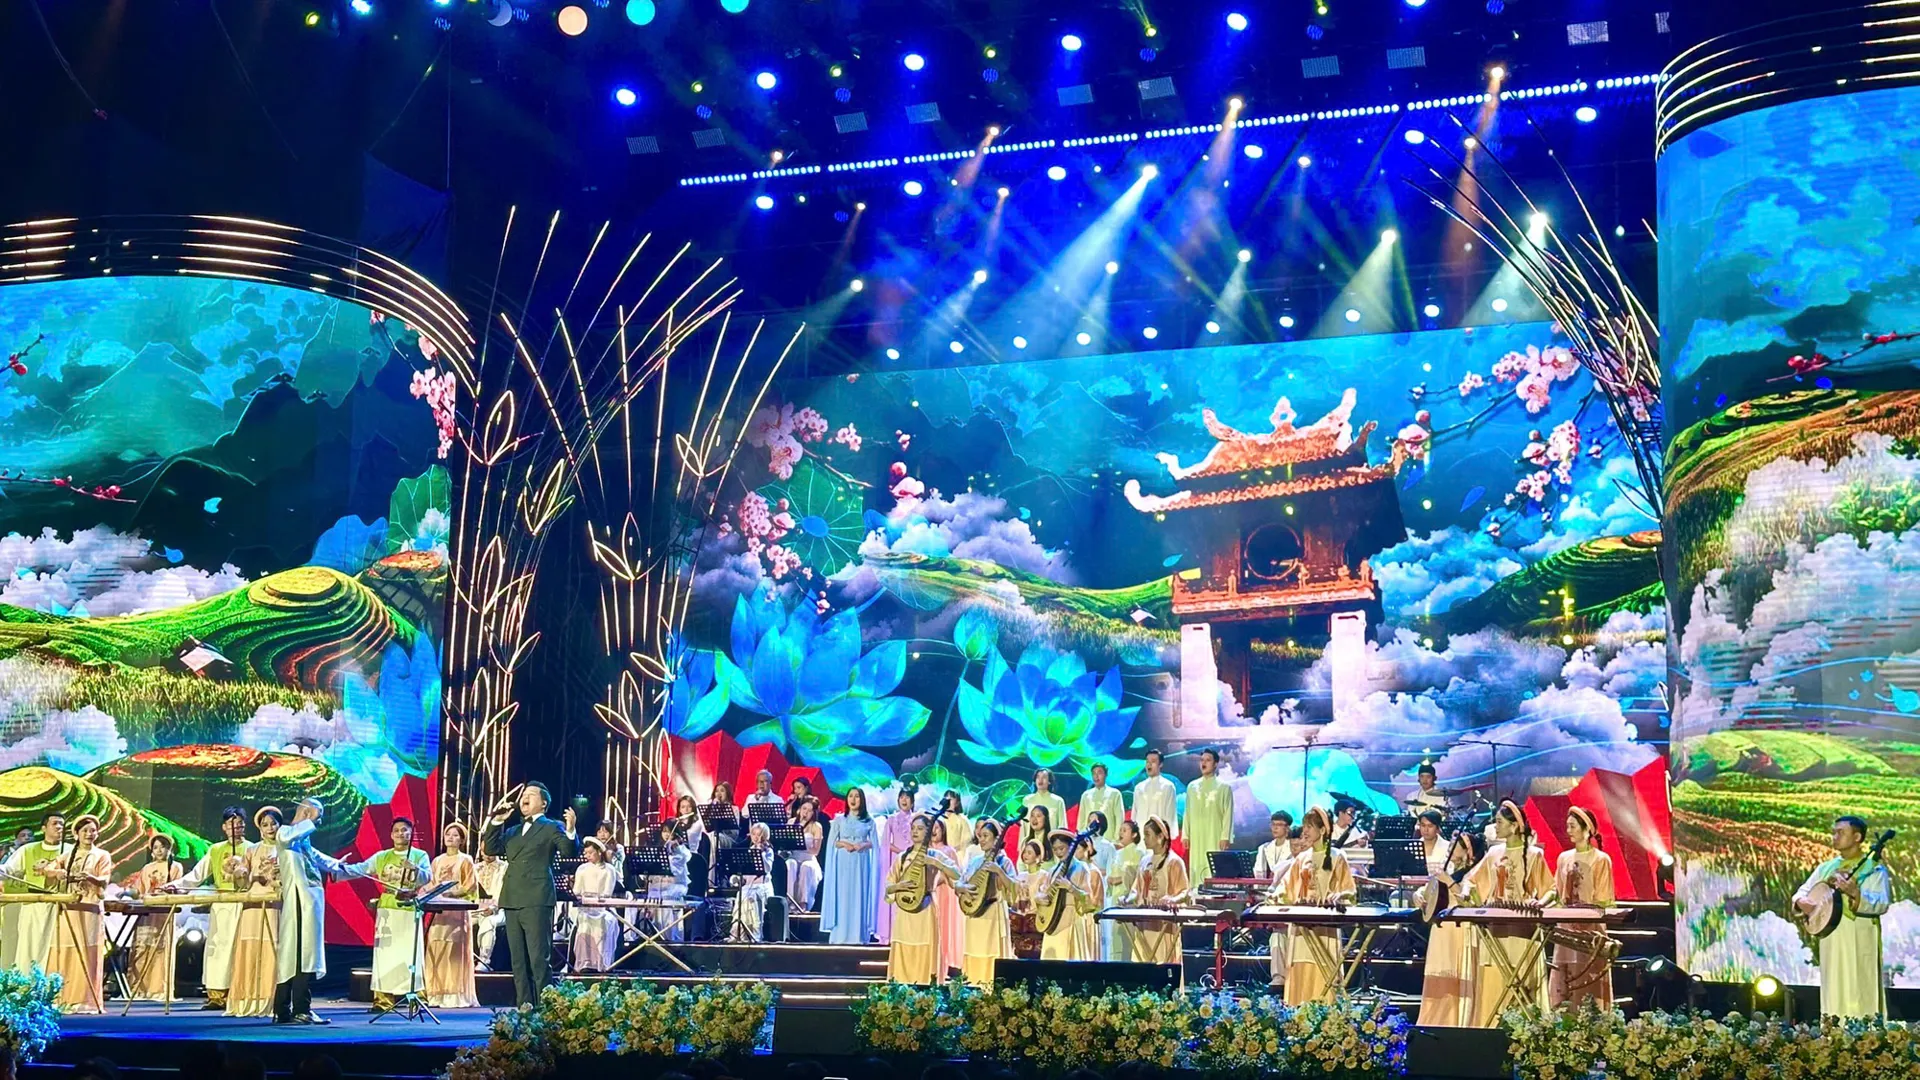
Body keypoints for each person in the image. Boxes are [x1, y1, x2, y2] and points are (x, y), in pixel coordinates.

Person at [480, 782, 579, 1009]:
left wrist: (571, 829)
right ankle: (524, 1007)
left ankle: (546, 1007)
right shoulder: (513, 831)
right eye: (524, 794)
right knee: (518, 960)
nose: (525, 797)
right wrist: (497, 821)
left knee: (538, 958)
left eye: (531, 794)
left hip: (537, 897)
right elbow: (491, 848)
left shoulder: (551, 826)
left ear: (543, 803)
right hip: (512, 898)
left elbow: (568, 851)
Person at [1464, 800, 1553, 1028]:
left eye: (1499, 822)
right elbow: (1472, 881)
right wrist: (1467, 892)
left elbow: (1551, 890)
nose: (1495, 826)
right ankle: (1491, 1025)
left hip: (1522, 927)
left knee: (1521, 976)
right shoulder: (1494, 853)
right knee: (1495, 977)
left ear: (1514, 826)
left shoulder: (1534, 855)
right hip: (1496, 925)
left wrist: (1539, 902)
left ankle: (1525, 1030)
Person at [1793, 814, 1891, 1019]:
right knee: (1834, 984)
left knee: (1860, 985)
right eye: (1834, 832)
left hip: (1860, 934)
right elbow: (1803, 891)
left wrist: (1856, 893)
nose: (1835, 837)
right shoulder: (1826, 867)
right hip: (1831, 934)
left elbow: (1882, 902)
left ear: (1857, 837)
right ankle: (1833, 1032)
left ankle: (1864, 1034)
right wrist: (1802, 902)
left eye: (1840, 832)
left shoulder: (1874, 868)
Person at [339, 817, 433, 1013]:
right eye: (397, 830)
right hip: (387, 910)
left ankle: (416, 999)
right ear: (391, 835)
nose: (401, 833)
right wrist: (337, 869)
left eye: (405, 830)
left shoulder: (419, 855)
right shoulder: (381, 856)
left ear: (411, 834)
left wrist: (415, 869)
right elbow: (361, 869)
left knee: (411, 955)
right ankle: (383, 1000)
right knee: (385, 956)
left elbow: (427, 877)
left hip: (409, 910)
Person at [170, 807, 251, 1009]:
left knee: (241, 948)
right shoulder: (215, 850)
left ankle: (241, 993)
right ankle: (217, 994)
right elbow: (196, 875)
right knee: (218, 947)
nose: (236, 827)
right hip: (222, 905)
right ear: (224, 827)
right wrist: (176, 886)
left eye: (240, 824)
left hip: (246, 904)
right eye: (231, 824)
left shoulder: (252, 848)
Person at [1275, 807, 1356, 1006]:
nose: (1305, 831)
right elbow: (1286, 887)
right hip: (1302, 923)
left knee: (1324, 967)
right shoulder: (1302, 858)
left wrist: (1338, 896)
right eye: (1305, 826)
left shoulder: (1337, 857)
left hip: (1325, 925)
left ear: (1322, 830)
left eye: (1310, 827)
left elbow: (1349, 891)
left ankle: (1326, 1015)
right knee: (1300, 963)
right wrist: (1277, 896)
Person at [273, 799, 341, 1025]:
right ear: (307, 812)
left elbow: (319, 858)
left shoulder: (302, 840)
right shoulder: (285, 833)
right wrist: (309, 818)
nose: (318, 822)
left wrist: (341, 866)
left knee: (303, 955)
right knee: (300, 956)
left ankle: (291, 1009)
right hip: (299, 903)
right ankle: (296, 1009)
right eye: (317, 816)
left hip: (309, 903)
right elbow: (287, 838)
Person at [1549, 807, 1616, 1008]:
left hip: (1591, 928)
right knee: (1565, 975)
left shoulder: (1600, 859)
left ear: (1587, 829)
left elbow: (1603, 899)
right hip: (1566, 928)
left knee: (1589, 974)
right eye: (1567, 826)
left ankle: (1591, 1017)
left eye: (1573, 826)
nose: (1568, 830)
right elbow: (1557, 892)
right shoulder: (1563, 858)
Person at [1417, 831, 1485, 1027]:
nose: (1449, 849)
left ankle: (1457, 1020)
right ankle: (1434, 1020)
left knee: (1457, 974)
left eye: (1455, 846)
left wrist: (1449, 881)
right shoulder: (1446, 870)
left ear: (1466, 852)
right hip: (1441, 929)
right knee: (1439, 973)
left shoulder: (1472, 874)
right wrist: (1418, 896)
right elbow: (1427, 889)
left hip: (1460, 928)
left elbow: (1469, 901)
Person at [225, 808, 284, 1018]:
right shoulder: (252, 850)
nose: (270, 828)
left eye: (273, 823)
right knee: (249, 950)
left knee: (271, 951)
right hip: (252, 907)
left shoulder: (286, 849)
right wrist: (239, 872)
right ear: (259, 828)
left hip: (274, 906)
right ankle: (245, 999)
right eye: (265, 824)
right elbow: (241, 879)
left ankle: (269, 1000)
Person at [883, 815, 957, 983]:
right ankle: (901, 988)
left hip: (926, 909)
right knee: (903, 947)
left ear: (928, 832)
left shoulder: (935, 855)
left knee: (926, 948)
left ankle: (926, 990)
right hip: (905, 911)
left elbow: (956, 874)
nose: (915, 832)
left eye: (920, 828)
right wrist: (898, 887)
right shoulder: (902, 857)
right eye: (913, 828)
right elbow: (889, 885)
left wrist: (936, 863)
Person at [49, 815, 111, 1014]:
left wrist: (92, 878)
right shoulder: (67, 855)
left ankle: (85, 1000)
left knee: (87, 951)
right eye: (85, 831)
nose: (89, 834)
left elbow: (104, 880)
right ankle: (63, 998)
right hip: (69, 908)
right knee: (65, 950)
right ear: (76, 834)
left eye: (93, 830)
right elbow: (50, 869)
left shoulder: (101, 855)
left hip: (90, 908)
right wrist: (56, 872)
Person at [1, 813, 68, 975]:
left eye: (62, 824)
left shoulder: (70, 850)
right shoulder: (27, 849)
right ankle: (27, 983)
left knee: (56, 947)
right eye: (55, 823)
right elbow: (8, 870)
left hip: (59, 907)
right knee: (28, 947)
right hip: (32, 905)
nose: (59, 827)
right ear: (44, 828)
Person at [954, 820, 1016, 986]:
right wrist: (962, 887)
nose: (981, 839)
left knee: (991, 956)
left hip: (993, 915)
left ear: (996, 839)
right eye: (980, 836)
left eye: (986, 836)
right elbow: (959, 883)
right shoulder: (975, 861)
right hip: (975, 916)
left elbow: (1015, 889)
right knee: (973, 953)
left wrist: (999, 871)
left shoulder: (1004, 862)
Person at [424, 822, 478, 1009]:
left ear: (461, 840)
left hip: (456, 911)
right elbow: (430, 884)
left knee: (453, 951)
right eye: (448, 834)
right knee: (436, 948)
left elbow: (470, 886)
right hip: (438, 911)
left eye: (455, 835)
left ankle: (454, 994)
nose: (451, 838)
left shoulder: (465, 860)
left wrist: (450, 893)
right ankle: (435, 993)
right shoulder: (437, 861)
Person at [125, 836, 185, 1001]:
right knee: (143, 947)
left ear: (169, 849)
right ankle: (138, 989)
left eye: (162, 847)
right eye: (155, 847)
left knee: (161, 949)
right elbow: (139, 890)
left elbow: (178, 887)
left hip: (164, 912)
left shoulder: (175, 867)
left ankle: (159, 989)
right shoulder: (147, 868)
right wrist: (127, 892)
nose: (159, 850)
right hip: (147, 911)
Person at [1128, 817, 1189, 966]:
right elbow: (1136, 889)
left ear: (1160, 836)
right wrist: (1127, 899)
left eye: (1148, 834)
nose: (1144, 839)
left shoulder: (1174, 861)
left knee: (1163, 960)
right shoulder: (1145, 861)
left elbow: (1184, 892)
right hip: (1145, 922)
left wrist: (1172, 899)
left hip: (1164, 924)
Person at [820, 787, 878, 945]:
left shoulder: (869, 821)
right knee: (843, 894)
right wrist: (845, 844)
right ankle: (840, 935)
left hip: (861, 861)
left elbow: (875, 844)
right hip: (843, 861)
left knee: (859, 893)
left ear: (862, 800)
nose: (853, 799)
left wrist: (863, 844)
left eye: (857, 796)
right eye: (850, 796)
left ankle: (858, 935)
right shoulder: (839, 820)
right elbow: (832, 842)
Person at [1252, 810, 1296, 987]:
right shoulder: (1264, 849)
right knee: (1277, 934)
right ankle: (1278, 977)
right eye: (1273, 824)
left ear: (1288, 828)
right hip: (1269, 894)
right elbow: (1258, 875)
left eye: (1279, 825)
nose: (1275, 828)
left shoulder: (1294, 847)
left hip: (1289, 895)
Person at [876, 786, 919, 945]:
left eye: (907, 797)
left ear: (912, 801)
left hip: (914, 860)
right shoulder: (892, 820)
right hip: (896, 860)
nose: (904, 800)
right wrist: (902, 852)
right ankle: (892, 933)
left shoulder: (917, 819)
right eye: (902, 797)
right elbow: (886, 843)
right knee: (896, 893)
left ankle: (910, 933)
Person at [572, 837, 620, 971]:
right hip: (585, 909)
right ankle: (584, 963)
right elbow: (576, 891)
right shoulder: (582, 869)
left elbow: (607, 893)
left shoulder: (609, 869)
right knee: (584, 922)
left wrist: (594, 898)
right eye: (586, 853)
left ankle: (601, 964)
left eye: (590, 853)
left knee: (603, 922)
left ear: (599, 852)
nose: (587, 856)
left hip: (603, 909)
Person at [1182, 749, 1233, 877]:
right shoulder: (1192, 787)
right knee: (1197, 865)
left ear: (1215, 764)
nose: (1203, 763)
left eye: (1208, 760)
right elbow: (1187, 812)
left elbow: (1228, 814)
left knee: (1213, 866)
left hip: (1214, 833)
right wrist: (1185, 835)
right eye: (1202, 760)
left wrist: (1225, 837)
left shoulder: (1224, 787)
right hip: (1196, 834)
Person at [643, 821, 693, 942]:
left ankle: (671, 941)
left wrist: (676, 847)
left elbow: (683, 860)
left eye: (669, 832)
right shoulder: (658, 849)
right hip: (658, 887)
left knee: (667, 903)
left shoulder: (681, 850)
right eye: (664, 831)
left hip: (674, 887)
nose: (666, 834)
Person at [730, 822, 778, 944]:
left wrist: (760, 853)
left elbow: (767, 869)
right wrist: (737, 878)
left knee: (751, 897)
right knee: (742, 896)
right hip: (749, 887)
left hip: (763, 887)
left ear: (765, 836)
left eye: (759, 835)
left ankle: (756, 934)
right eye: (754, 834)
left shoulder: (768, 851)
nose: (756, 837)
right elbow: (746, 874)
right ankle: (739, 933)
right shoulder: (748, 851)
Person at [1106, 819, 1146, 962]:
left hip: (1130, 901)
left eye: (1125, 830)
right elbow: (1111, 874)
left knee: (1129, 939)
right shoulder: (1117, 853)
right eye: (1120, 830)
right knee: (1116, 937)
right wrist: (1110, 880)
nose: (1120, 833)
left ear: (1134, 834)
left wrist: (1121, 879)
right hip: (1116, 898)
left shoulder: (1140, 853)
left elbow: (1138, 877)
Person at [928, 818, 965, 975]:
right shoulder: (925, 851)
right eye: (932, 827)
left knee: (944, 926)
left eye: (938, 828)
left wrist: (941, 879)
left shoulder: (949, 851)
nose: (934, 831)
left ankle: (945, 962)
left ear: (943, 831)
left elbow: (956, 875)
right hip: (930, 893)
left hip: (945, 894)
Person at [1131, 751, 1180, 840]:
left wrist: (1169, 837)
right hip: (1141, 837)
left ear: (1160, 764)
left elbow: (1171, 815)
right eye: (1147, 761)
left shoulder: (1168, 786)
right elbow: (1134, 813)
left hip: (1159, 838)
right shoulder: (1139, 787)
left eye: (1153, 761)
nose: (1149, 764)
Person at [787, 798, 824, 912]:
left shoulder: (816, 826)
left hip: (808, 858)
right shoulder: (791, 822)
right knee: (790, 864)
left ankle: (803, 903)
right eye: (804, 809)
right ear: (799, 809)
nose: (805, 812)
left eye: (809, 810)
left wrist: (803, 844)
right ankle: (789, 902)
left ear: (813, 813)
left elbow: (816, 851)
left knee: (806, 867)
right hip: (793, 856)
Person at [472, 850, 507, 972]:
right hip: (477, 909)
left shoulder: (505, 867)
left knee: (489, 921)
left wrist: (494, 907)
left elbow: (506, 892)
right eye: (484, 850)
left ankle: (484, 960)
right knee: (462, 922)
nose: (487, 853)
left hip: (500, 910)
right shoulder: (475, 868)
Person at [1077, 764, 1125, 841]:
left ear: (1106, 775)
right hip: (1089, 839)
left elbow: (1119, 818)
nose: (1096, 776)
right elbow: (1081, 819)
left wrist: (1116, 839)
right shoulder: (1086, 795)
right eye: (1094, 773)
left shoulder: (1115, 794)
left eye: (1099, 773)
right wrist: (1081, 837)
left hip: (1109, 839)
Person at [1022, 770, 1068, 837]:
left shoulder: (1058, 801)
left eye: (1044, 777)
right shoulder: (1027, 800)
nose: (1040, 780)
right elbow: (1023, 827)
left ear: (1049, 781)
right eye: (1038, 777)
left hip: (1051, 841)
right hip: (1030, 841)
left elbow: (1062, 826)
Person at [937, 791, 970, 867]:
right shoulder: (939, 818)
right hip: (940, 855)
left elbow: (967, 841)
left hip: (957, 857)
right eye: (946, 798)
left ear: (957, 803)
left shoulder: (962, 820)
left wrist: (954, 851)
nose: (948, 800)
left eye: (951, 798)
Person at [1416, 811, 1448, 875]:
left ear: (1437, 828)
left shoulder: (1448, 847)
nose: (1426, 830)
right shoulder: (1412, 847)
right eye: (1423, 825)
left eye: (1430, 826)